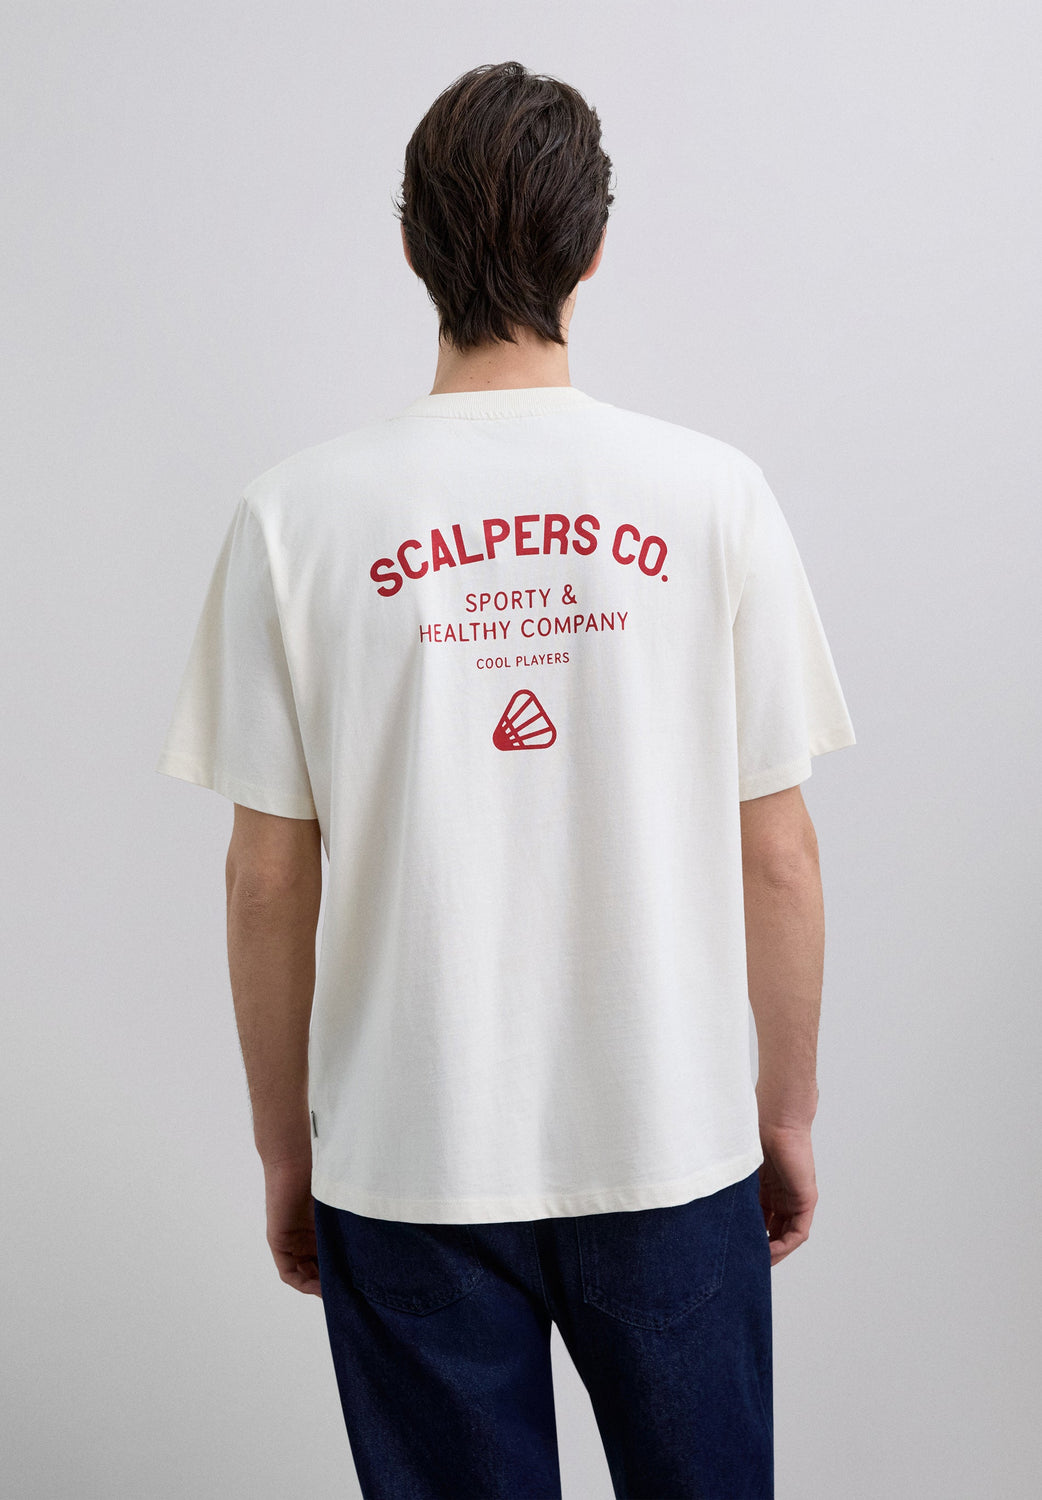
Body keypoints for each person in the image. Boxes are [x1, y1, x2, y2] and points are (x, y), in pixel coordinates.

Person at [156, 59, 856, 1500]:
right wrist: (781, 1113)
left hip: (406, 1159)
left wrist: (285, 1150)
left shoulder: (296, 519)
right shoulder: (711, 497)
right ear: (592, 247)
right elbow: (777, 853)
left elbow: (266, 881)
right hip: (669, 1141)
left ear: (412, 246)